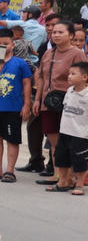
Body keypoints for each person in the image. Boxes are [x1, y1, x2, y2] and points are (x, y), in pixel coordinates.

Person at [33, 19, 88, 184]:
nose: (55, 34)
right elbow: (41, 77)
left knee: (70, 140)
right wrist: (37, 100)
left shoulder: (77, 53)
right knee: (54, 140)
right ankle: (58, 175)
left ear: (71, 35)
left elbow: (83, 77)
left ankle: (71, 177)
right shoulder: (48, 53)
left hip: (70, 103)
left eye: (60, 32)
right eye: (53, 32)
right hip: (48, 103)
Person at [0, 27, 33, 182]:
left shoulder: (20, 63)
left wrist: (27, 104)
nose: (2, 47)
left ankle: (10, 170)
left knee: (12, 139)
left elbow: (26, 84)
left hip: (13, 107)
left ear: (12, 44)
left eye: (5, 43)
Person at [48, 62, 88, 194]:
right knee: (61, 157)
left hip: (80, 134)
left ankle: (80, 184)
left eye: (73, 74)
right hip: (65, 131)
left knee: (79, 160)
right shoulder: (69, 91)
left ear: (84, 77)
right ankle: (64, 181)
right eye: (69, 74)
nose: (69, 76)